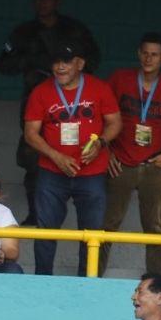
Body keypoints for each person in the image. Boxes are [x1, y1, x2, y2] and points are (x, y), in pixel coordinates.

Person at [0, 0, 101, 227]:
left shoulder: (73, 30)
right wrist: (31, 62)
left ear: (57, 0)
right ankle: (37, 212)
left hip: (73, 104)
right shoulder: (24, 32)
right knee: (33, 155)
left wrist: (68, 72)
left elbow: (94, 61)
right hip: (37, 99)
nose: (43, 3)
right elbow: (4, 64)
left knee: (77, 151)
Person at [23, 43, 121, 275]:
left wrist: (101, 143)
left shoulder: (100, 88)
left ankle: (86, 284)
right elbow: (30, 133)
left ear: (80, 63)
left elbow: (115, 122)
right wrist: (56, 156)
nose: (59, 67)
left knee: (92, 233)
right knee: (46, 231)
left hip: (92, 173)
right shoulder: (41, 91)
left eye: (66, 62)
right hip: (52, 172)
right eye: (56, 62)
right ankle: (43, 281)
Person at [102, 33, 161, 275]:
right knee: (107, 227)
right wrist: (106, 153)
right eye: (145, 53)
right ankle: (93, 278)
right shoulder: (120, 79)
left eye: (155, 54)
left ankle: (156, 282)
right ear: (139, 54)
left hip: (153, 166)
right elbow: (102, 116)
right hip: (120, 163)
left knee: (155, 228)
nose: (149, 58)